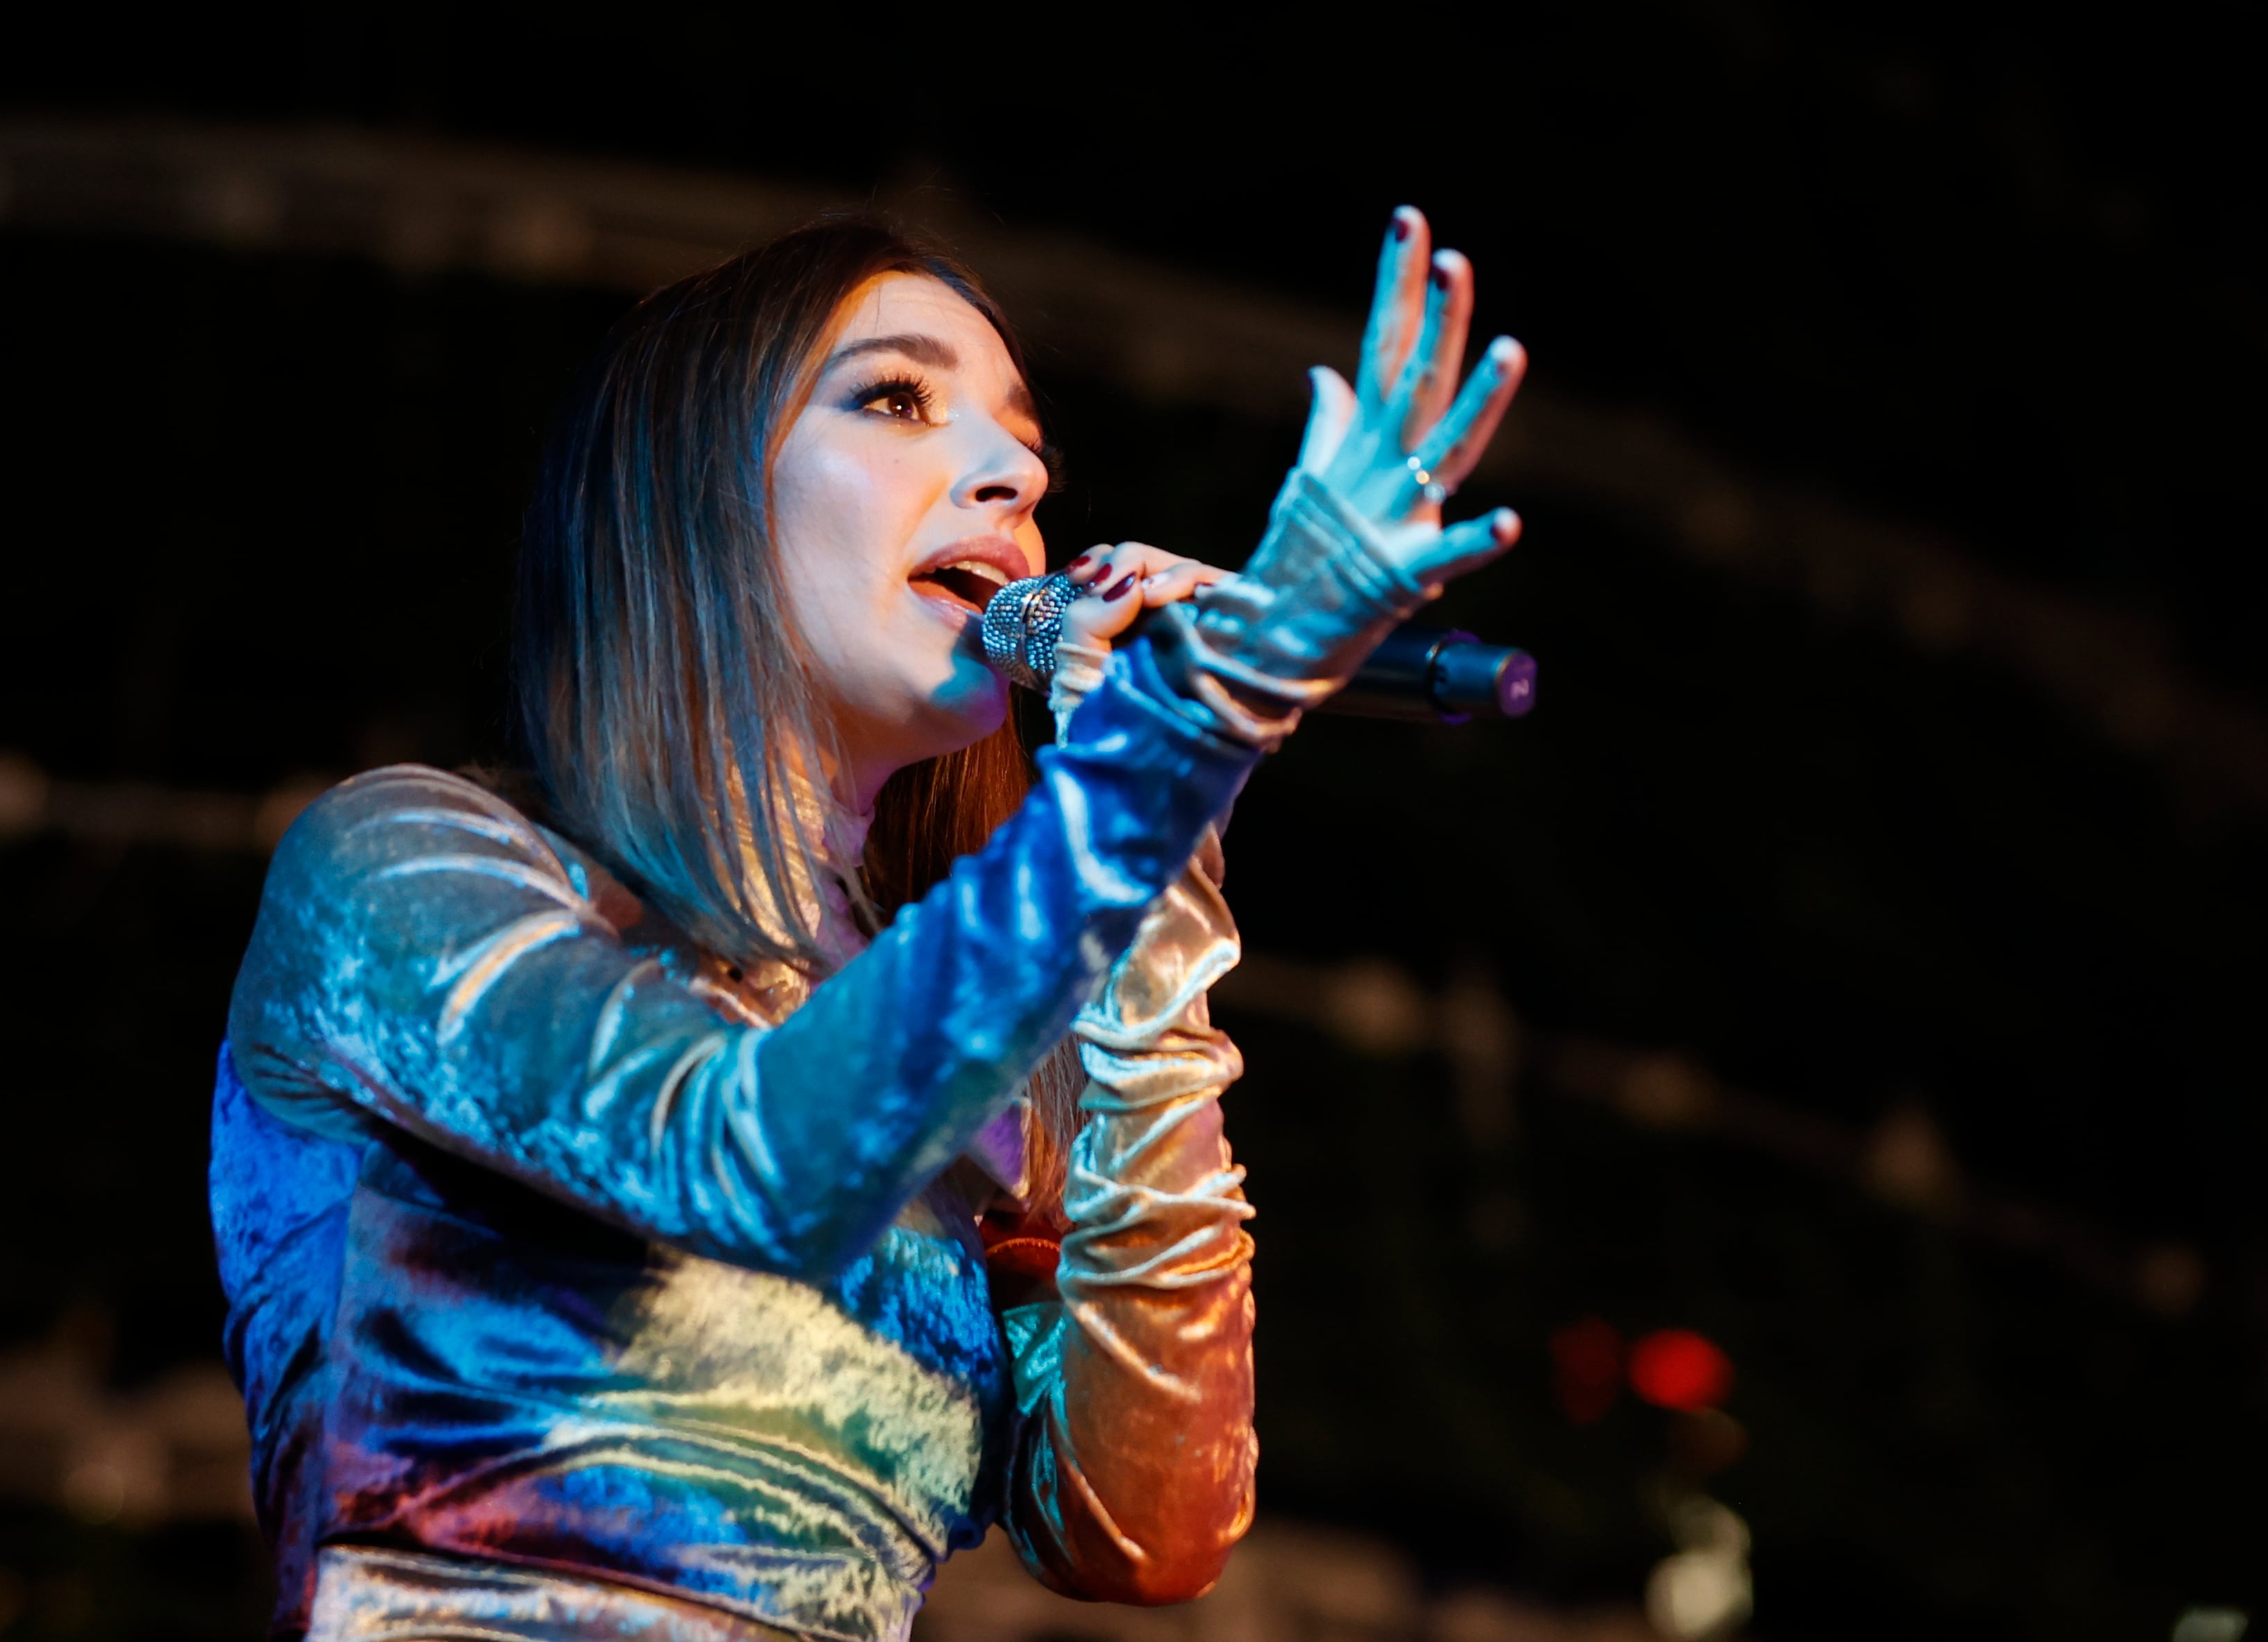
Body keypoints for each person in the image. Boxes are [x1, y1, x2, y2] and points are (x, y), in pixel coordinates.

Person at [211, 206, 1526, 1641]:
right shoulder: (402, 867)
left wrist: (1157, 900)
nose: (1016, 474)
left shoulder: (976, 1063)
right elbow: (749, 1157)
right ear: (692, 484)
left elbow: (1149, 1525)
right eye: (896, 397)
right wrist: (1171, 743)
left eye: (1029, 453)